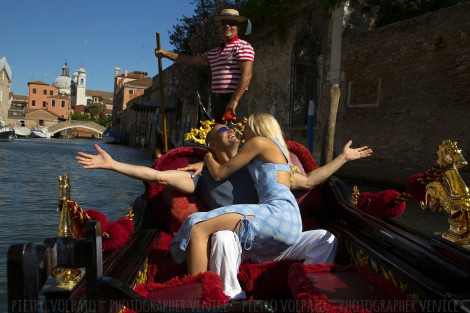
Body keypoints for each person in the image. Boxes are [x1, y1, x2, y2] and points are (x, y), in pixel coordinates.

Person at [76, 119, 372, 299]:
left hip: (266, 234)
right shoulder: (201, 176)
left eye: (231, 128)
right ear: (211, 144)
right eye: (222, 130)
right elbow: (157, 176)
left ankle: (308, 287)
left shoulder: (260, 167)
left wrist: (342, 158)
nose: (230, 130)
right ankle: (227, 297)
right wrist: (113, 164)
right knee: (223, 237)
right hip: (233, 241)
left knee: (326, 238)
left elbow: (309, 179)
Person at [155, 8, 254, 122]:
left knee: (235, 133)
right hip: (217, 99)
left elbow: (247, 75)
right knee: (220, 134)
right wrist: (165, 53)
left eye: (231, 23)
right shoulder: (214, 52)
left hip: (235, 99)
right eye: (224, 23)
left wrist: (234, 101)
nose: (227, 26)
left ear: (238, 27)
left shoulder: (243, 47)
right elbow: (191, 60)